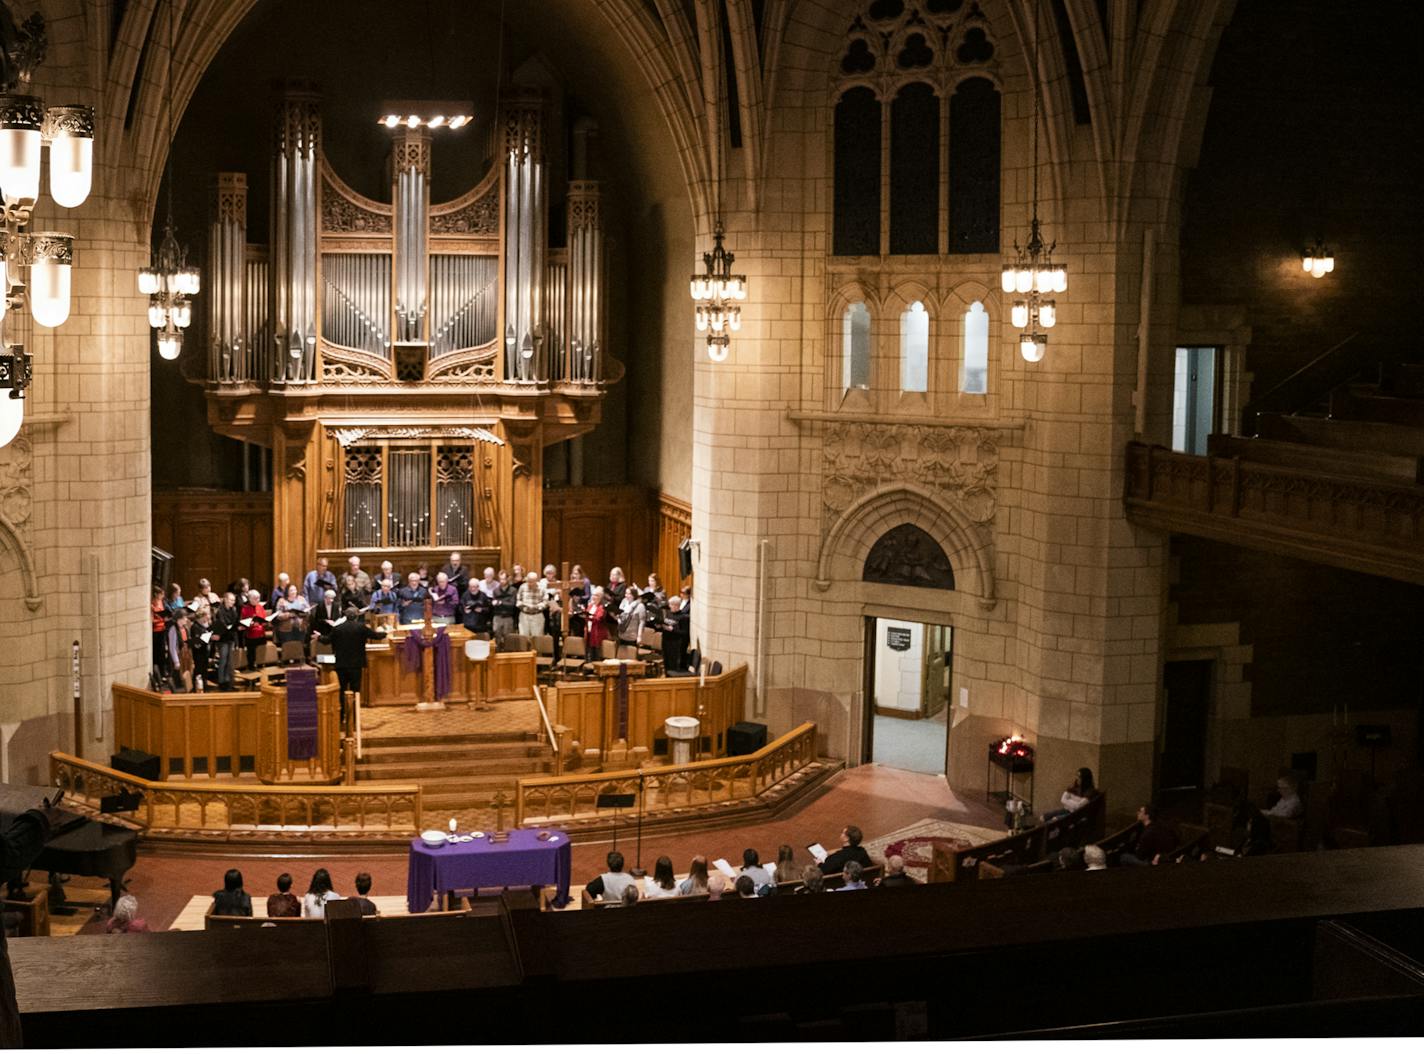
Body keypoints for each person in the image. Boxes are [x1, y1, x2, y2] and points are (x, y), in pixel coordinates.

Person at [320, 606, 387, 726]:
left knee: (341, 691)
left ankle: (341, 717)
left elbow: (327, 640)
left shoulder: (338, 628)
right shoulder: (361, 628)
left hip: (341, 664)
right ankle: (354, 717)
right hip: (356, 665)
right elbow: (376, 636)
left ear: (345, 616)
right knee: (356, 691)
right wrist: (386, 632)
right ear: (356, 616)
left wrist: (318, 637)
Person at [211, 591, 240, 690]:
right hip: (222, 639)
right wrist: (231, 626)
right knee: (223, 660)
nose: (233, 602)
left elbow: (235, 622)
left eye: (234, 600)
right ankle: (221, 682)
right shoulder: (220, 611)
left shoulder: (233, 610)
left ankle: (228, 682)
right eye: (232, 600)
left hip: (230, 638)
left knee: (229, 661)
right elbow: (222, 624)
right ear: (226, 599)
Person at [239, 590, 269, 669]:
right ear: (250, 599)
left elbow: (264, 619)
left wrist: (265, 623)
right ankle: (251, 673)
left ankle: (261, 671)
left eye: (259, 598)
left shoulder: (260, 607)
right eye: (256, 598)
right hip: (251, 636)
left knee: (261, 656)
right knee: (251, 657)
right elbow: (243, 623)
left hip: (261, 635)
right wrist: (252, 624)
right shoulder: (245, 609)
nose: (258, 600)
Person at [662, 595, 690, 672]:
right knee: (666, 661)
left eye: (671, 605)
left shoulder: (683, 617)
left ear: (676, 605)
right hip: (666, 640)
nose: (669, 606)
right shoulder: (668, 613)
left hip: (675, 644)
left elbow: (685, 632)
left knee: (673, 664)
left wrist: (672, 630)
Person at [190, 605, 215, 691]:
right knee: (198, 670)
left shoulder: (203, 626)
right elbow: (197, 643)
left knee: (204, 670)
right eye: (205, 617)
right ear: (200, 617)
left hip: (204, 652)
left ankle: (204, 686)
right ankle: (195, 688)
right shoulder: (195, 627)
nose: (206, 619)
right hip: (198, 653)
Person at [616, 586, 646, 658]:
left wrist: (639, 636)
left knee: (631, 658)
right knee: (622, 658)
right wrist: (617, 619)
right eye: (626, 593)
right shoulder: (624, 602)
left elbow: (641, 622)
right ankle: (622, 670)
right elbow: (620, 615)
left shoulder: (640, 606)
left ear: (634, 595)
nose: (626, 595)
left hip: (632, 636)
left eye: (629, 594)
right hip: (622, 634)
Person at [150, 586, 170, 685]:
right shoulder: (152, 605)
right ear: (156, 594)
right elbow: (151, 620)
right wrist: (162, 619)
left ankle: (163, 673)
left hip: (162, 630)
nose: (163, 596)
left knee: (162, 653)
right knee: (157, 653)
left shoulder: (162, 602)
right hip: (155, 632)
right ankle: (157, 675)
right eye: (161, 594)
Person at [517, 572, 546, 638]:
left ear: (536, 581)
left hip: (537, 615)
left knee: (537, 638)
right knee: (523, 638)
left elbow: (545, 602)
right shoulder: (522, 587)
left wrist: (536, 607)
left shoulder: (541, 588)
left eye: (532, 582)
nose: (529, 583)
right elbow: (518, 600)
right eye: (528, 581)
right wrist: (523, 606)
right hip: (524, 615)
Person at [491, 572, 517, 644]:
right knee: (497, 636)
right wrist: (504, 602)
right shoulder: (495, 590)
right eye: (500, 579)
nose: (502, 581)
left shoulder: (513, 590)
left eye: (504, 579)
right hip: (498, 616)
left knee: (508, 638)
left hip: (508, 617)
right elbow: (494, 603)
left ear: (507, 579)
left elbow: (512, 604)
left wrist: (500, 603)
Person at [585, 586, 610, 653]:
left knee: (596, 653)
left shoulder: (602, 607)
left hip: (597, 633)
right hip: (589, 632)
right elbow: (586, 614)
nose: (593, 597)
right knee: (588, 651)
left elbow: (598, 618)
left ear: (600, 597)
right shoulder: (590, 605)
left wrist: (589, 617)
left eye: (596, 595)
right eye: (593, 595)